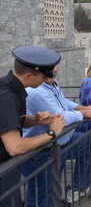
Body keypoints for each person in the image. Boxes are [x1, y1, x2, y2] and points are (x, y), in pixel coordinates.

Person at [21, 65, 91, 206]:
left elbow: (64, 103)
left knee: (87, 142)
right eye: (49, 68)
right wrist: (83, 113)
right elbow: (60, 117)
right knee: (42, 193)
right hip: (42, 150)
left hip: (60, 143)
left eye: (54, 66)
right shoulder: (37, 91)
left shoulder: (51, 83)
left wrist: (84, 108)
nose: (53, 71)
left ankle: (78, 188)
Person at [0, 45, 65, 207]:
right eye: (43, 78)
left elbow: (10, 120)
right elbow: (14, 147)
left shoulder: (10, 86)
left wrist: (36, 120)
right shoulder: (7, 96)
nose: (45, 81)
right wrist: (52, 133)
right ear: (29, 75)